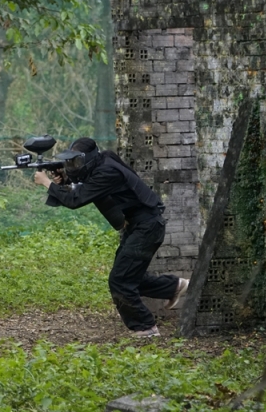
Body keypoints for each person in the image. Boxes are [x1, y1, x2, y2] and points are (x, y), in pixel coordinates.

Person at [33, 137, 189, 337]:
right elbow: (86, 183)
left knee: (120, 281)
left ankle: (145, 328)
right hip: (139, 225)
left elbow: (76, 199)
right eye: (70, 163)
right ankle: (174, 286)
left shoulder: (107, 171)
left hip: (146, 227)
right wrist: (66, 180)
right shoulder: (103, 160)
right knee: (128, 277)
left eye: (76, 162)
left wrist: (47, 183)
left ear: (88, 159)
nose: (73, 167)